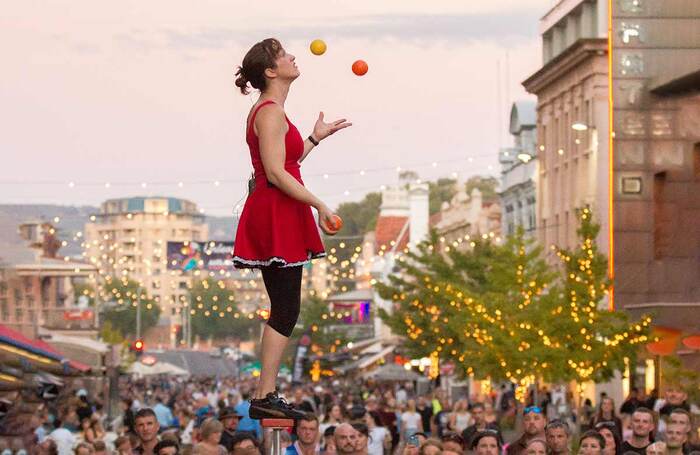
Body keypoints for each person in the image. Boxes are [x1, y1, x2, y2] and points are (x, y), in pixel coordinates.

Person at [232, 38, 351, 420]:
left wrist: (315, 137)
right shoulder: (268, 112)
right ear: (270, 71)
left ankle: (267, 392)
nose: (293, 57)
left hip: (281, 206)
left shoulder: (275, 112)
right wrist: (319, 204)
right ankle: (264, 393)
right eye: (284, 55)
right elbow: (276, 172)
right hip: (276, 209)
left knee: (287, 307)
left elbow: (288, 160)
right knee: (285, 307)